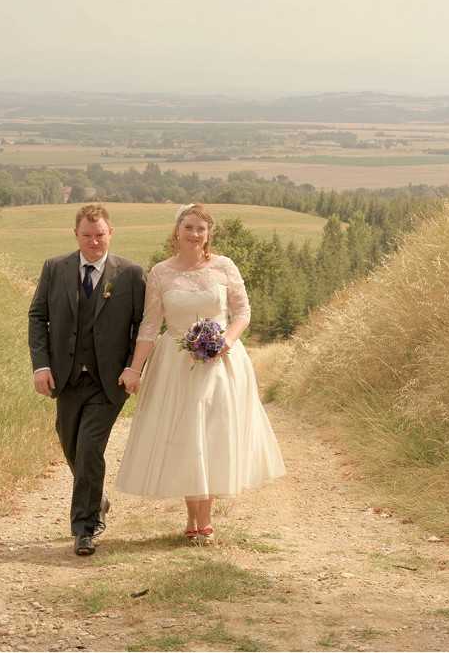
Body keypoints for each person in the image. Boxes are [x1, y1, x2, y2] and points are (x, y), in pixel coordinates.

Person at [115, 203, 285, 540]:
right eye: (189, 227)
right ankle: (192, 517)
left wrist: (227, 341)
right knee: (185, 437)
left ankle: (204, 520)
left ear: (209, 235)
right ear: (177, 230)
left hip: (221, 364)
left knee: (210, 435)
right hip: (175, 364)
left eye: (201, 229)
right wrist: (134, 369)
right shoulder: (161, 273)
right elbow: (150, 327)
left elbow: (242, 312)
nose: (195, 234)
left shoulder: (224, 267)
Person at [28, 203, 145, 556]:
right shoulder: (55, 268)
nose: (94, 242)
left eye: (100, 235)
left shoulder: (131, 274)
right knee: (71, 445)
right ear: (75, 235)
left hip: (109, 382)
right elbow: (38, 317)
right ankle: (97, 496)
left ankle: (85, 528)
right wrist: (40, 366)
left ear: (111, 233)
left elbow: (143, 327)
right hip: (66, 378)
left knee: (90, 447)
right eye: (87, 236)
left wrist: (133, 367)